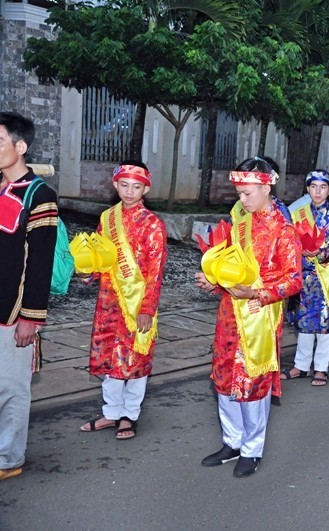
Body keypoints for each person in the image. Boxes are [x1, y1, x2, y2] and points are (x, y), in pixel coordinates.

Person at [195, 159, 302, 478]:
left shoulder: (284, 230)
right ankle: (232, 441)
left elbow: (294, 279)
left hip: (259, 316)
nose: (242, 200)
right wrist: (213, 279)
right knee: (225, 378)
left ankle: (252, 449)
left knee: (252, 383)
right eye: (239, 193)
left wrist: (257, 293)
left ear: (266, 187)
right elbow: (228, 265)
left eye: (247, 193)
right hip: (229, 314)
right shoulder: (238, 221)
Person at [77, 162, 167, 441]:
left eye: (136, 186)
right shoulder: (107, 218)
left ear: (146, 188)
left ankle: (130, 414)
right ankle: (111, 412)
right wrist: (87, 271)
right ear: (115, 185)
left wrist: (147, 309)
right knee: (110, 358)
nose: (130, 192)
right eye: (124, 185)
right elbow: (100, 256)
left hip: (137, 302)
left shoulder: (153, 224)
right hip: (108, 301)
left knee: (136, 360)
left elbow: (156, 272)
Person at [0, 112, 58, 481]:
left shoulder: (40, 195)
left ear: (20, 148)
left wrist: (31, 319)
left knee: (12, 388)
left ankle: (9, 458)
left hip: (13, 310)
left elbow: (40, 263)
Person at [284, 170, 329, 385]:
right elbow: (289, 242)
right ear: (308, 189)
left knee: (324, 322)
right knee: (303, 322)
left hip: (325, 275)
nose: (318, 192)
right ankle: (301, 366)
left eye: (323, 187)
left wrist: (322, 254)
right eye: (313, 187)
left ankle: (321, 368)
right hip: (304, 276)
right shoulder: (298, 214)